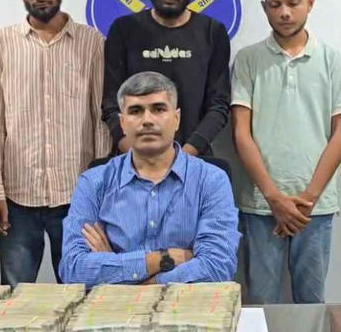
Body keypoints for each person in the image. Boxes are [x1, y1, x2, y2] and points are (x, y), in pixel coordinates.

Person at [0, 0, 110, 287]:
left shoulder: (92, 43)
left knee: (82, 292)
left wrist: (99, 191)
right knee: (14, 295)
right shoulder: (2, 43)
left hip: (76, 197)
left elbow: (100, 120)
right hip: (17, 197)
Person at [231, 0, 341, 304]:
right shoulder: (248, 60)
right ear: (264, 7)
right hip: (261, 204)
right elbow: (241, 132)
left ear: (310, 3)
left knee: (311, 302)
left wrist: (308, 199)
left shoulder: (332, 60)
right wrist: (274, 196)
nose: (284, 13)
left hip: (315, 206)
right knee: (261, 301)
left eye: (293, 3)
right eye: (275, 5)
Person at [59, 71, 239, 287]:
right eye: (136, 111)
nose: (147, 120)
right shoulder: (94, 182)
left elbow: (217, 267)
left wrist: (121, 272)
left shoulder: (211, 181)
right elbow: (73, 269)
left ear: (176, 119)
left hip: (185, 305)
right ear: (122, 123)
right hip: (111, 307)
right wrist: (162, 259)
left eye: (158, 109)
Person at [101, 0, 230, 160]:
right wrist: (137, 154)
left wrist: (183, 157)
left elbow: (218, 106)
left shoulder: (213, 32)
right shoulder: (123, 30)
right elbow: (111, 104)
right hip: (133, 162)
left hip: (194, 160)